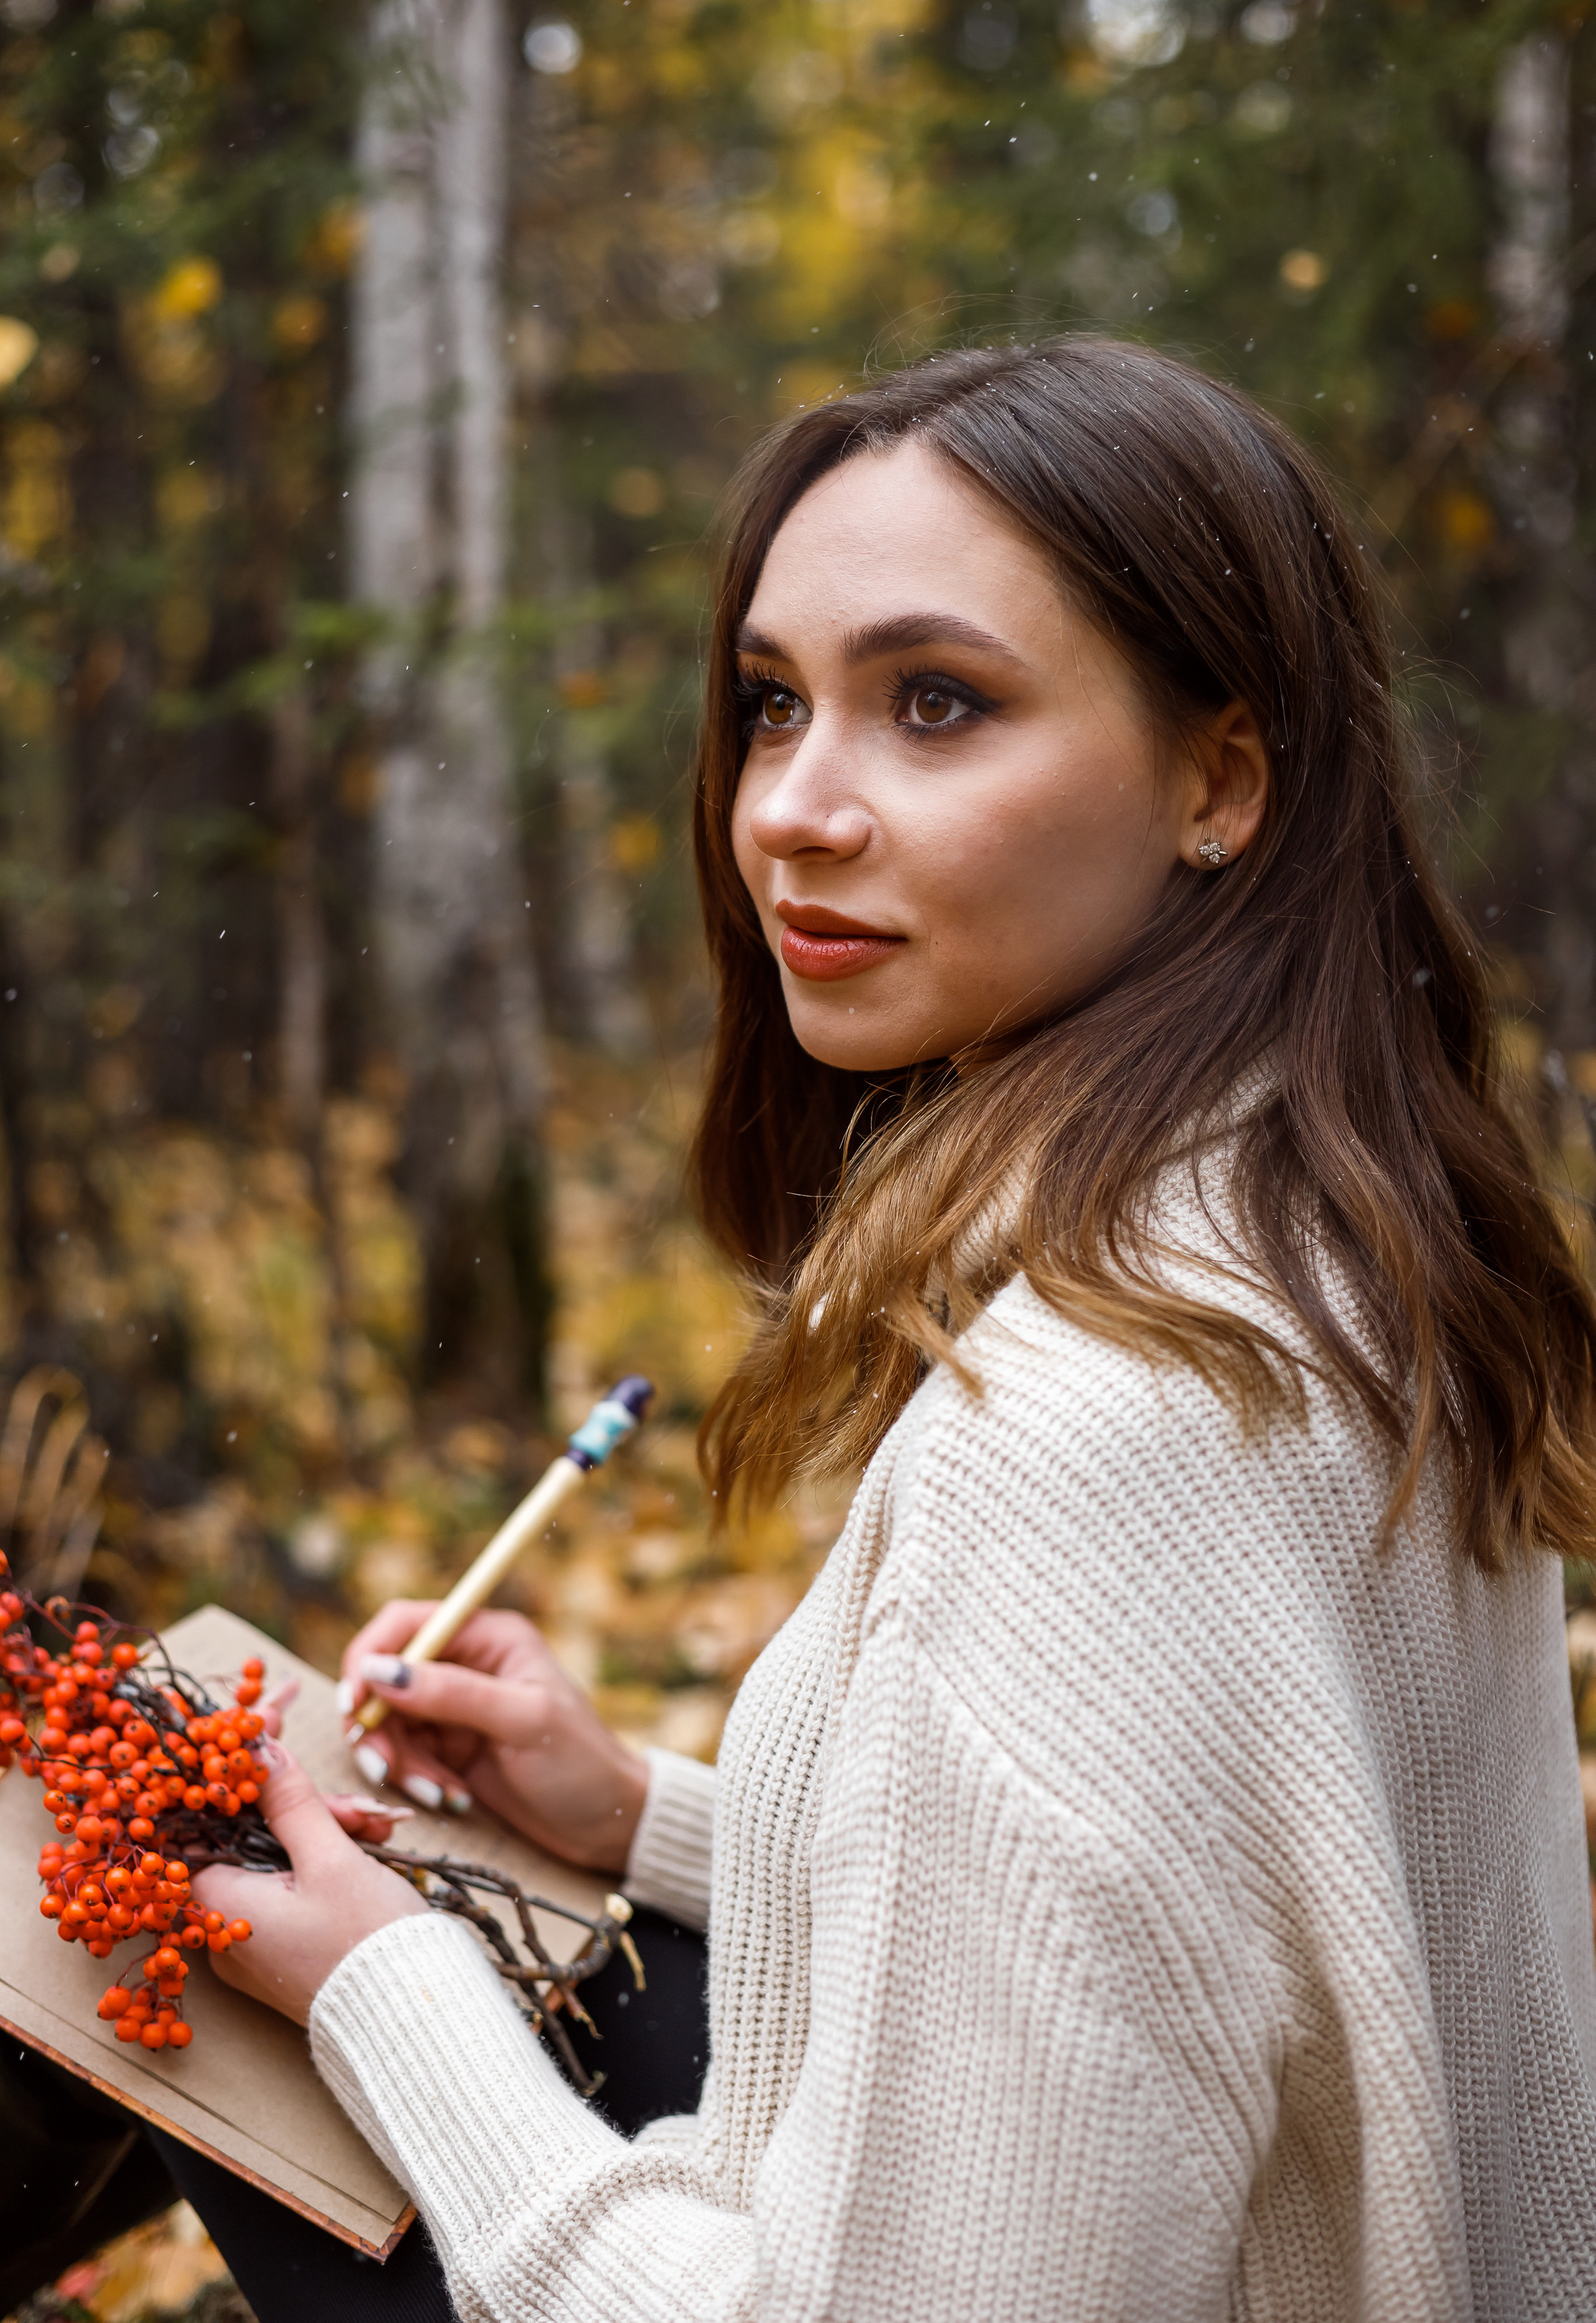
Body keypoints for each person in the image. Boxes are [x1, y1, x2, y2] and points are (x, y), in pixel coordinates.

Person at [187, 338, 1596, 2320]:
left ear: (1220, 780)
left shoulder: (1086, 1439)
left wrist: (387, 1993)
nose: (794, 810)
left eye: (938, 705)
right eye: (775, 706)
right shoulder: (1355, 1238)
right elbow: (1175, 1939)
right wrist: (644, 1819)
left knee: (175, 1983)